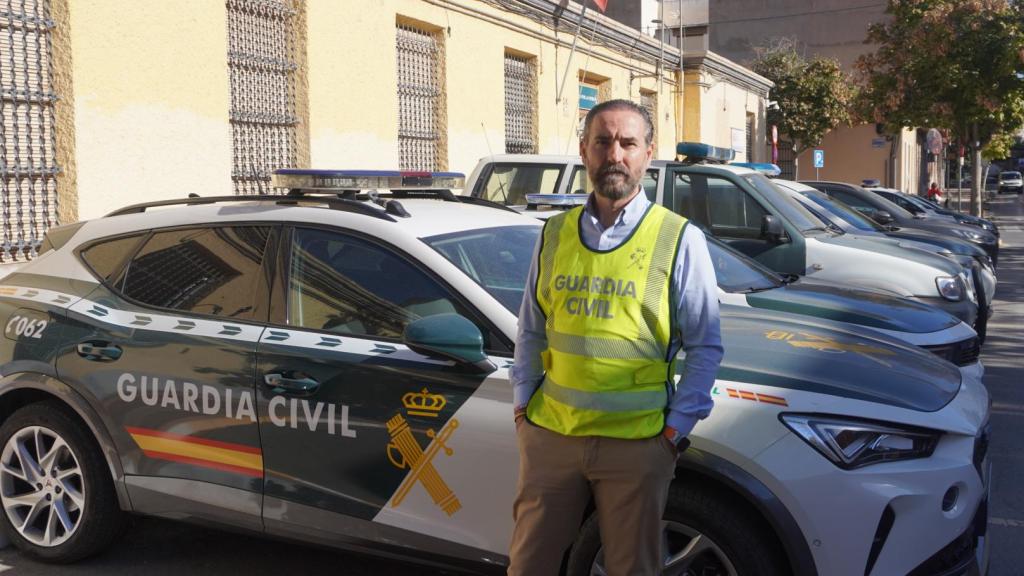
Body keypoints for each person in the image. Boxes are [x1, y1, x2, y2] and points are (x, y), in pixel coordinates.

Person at [507, 99, 723, 576]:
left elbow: (706, 345)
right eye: (603, 142)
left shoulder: (678, 238)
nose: (615, 154)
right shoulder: (554, 233)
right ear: (584, 150)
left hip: (638, 444)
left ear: (648, 153)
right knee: (528, 566)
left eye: (628, 143)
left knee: (632, 570)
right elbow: (531, 330)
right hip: (552, 438)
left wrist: (672, 434)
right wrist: (524, 411)